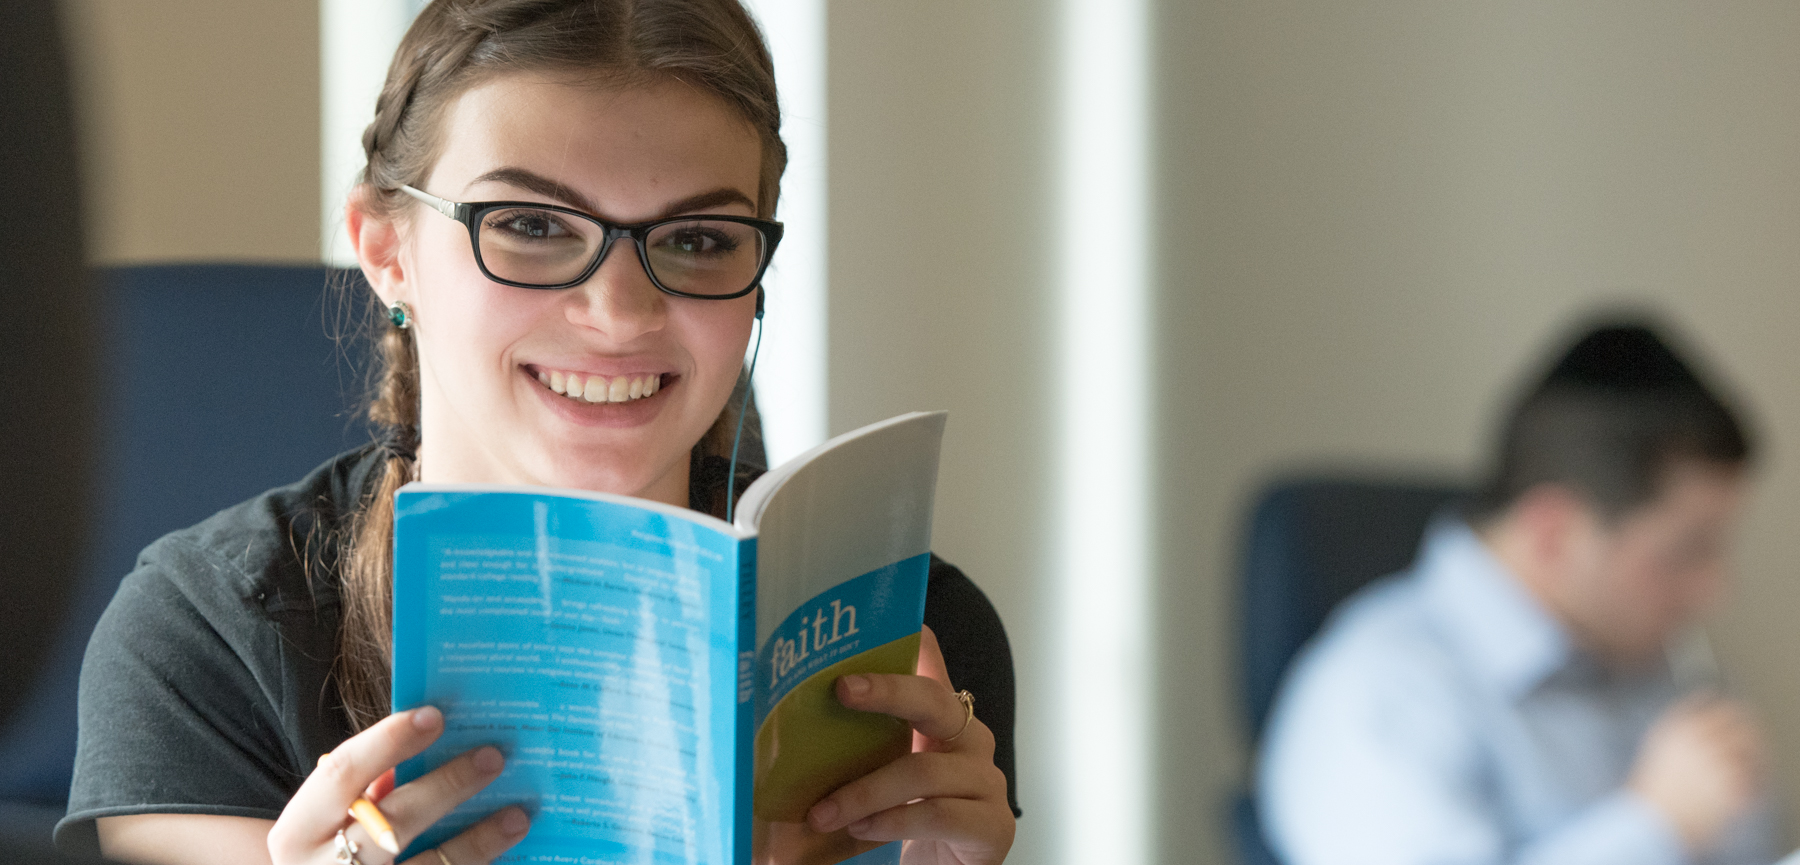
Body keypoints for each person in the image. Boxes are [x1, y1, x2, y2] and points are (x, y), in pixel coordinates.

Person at [53, 2, 1018, 863]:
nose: (619, 312)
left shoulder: (911, 631)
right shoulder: (200, 639)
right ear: (386, 251)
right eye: (530, 224)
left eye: (697, 239)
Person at [1258, 322, 1775, 865]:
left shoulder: (1667, 677)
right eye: (1685, 553)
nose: (1714, 593)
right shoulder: (1383, 691)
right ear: (1554, 535)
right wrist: (1655, 829)